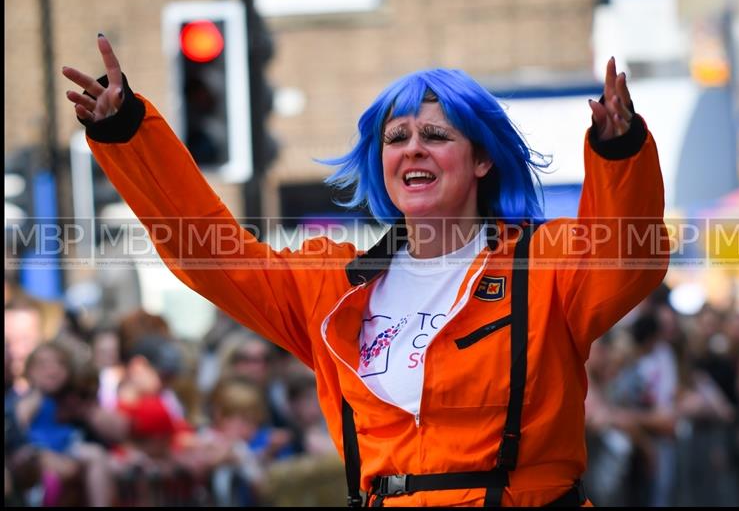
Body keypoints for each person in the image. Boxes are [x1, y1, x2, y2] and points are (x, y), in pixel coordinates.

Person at [62, 34, 668, 506]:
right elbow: (212, 255)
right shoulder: (331, 285)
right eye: (395, 137)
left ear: (482, 159)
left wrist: (618, 153)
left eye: (435, 134)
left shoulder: (547, 264)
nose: (412, 149)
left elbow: (626, 258)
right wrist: (128, 135)